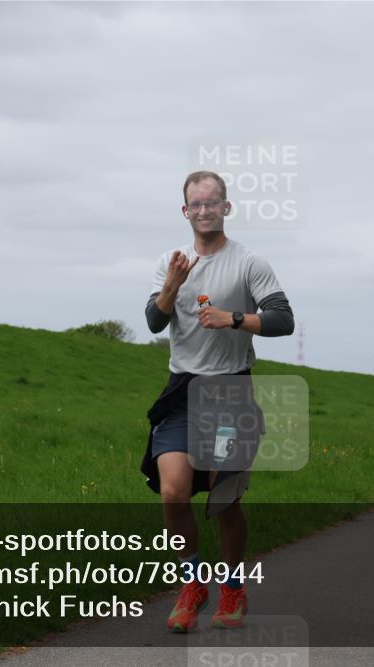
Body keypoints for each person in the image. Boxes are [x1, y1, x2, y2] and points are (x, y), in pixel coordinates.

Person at [141, 171, 295, 632]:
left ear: (226, 207)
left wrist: (235, 319)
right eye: (196, 204)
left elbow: (283, 320)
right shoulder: (171, 263)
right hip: (182, 392)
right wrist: (172, 284)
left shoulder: (249, 263)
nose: (204, 210)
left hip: (230, 391)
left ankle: (232, 587)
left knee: (223, 498)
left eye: (212, 203)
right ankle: (192, 583)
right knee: (172, 491)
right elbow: (153, 321)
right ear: (185, 211)